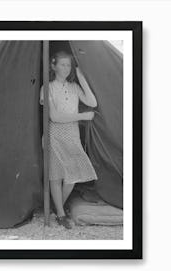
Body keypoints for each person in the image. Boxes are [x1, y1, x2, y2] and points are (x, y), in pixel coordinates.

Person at [39, 51, 98, 229]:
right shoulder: (46, 88)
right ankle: (61, 214)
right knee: (55, 176)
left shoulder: (74, 87)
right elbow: (55, 117)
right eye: (62, 64)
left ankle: (56, 209)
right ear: (53, 65)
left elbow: (92, 102)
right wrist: (82, 116)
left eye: (68, 65)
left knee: (72, 176)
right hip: (54, 134)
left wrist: (81, 77)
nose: (66, 68)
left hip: (72, 134)